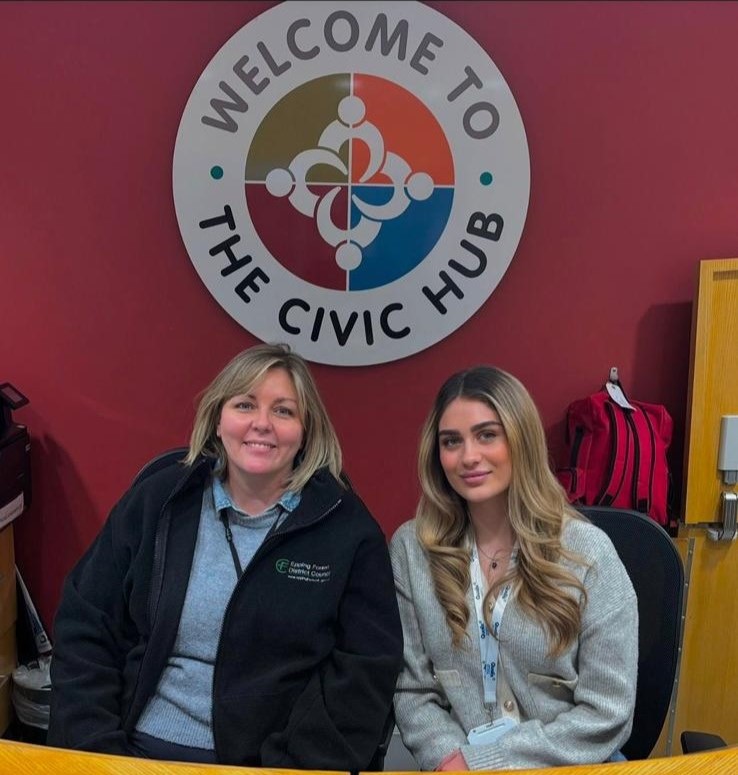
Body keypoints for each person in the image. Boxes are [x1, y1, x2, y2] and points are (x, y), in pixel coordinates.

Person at [48, 342, 403, 769]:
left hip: (269, 764)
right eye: (245, 405)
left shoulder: (347, 531)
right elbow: (86, 626)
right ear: (218, 420)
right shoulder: (159, 502)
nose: (262, 424)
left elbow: (364, 673)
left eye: (284, 411)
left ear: (307, 431)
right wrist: (100, 756)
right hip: (132, 751)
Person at [390, 366, 637, 771]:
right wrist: (450, 759)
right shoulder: (412, 549)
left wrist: (489, 762)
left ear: (521, 438)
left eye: (488, 434)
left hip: (571, 766)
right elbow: (413, 688)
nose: (468, 456)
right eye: (452, 441)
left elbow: (608, 712)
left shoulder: (588, 553)